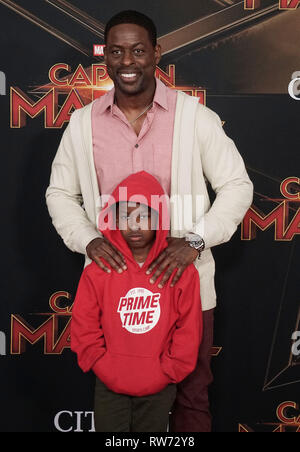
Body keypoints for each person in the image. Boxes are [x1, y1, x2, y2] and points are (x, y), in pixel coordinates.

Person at [46, 10, 253, 432]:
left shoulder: (194, 118)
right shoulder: (83, 123)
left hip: (185, 288)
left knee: (192, 398)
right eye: (117, 51)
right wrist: (87, 239)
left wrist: (195, 240)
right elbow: (60, 193)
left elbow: (237, 185)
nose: (128, 62)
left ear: (157, 53)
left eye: (138, 50)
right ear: (104, 57)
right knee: (117, 405)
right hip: (112, 291)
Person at [71, 171, 202, 432]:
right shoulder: (99, 270)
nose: (133, 225)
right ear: (113, 220)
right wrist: (100, 363)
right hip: (109, 383)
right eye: (125, 217)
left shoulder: (180, 271)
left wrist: (170, 370)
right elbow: (83, 324)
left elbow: (189, 328)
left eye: (143, 216)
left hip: (159, 384)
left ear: (160, 219)